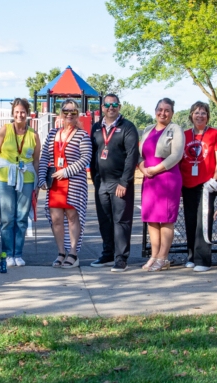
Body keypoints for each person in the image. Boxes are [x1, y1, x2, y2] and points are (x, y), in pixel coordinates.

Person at [40, 99, 93, 268]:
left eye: (73, 112)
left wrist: (66, 171)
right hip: (55, 183)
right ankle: (61, 252)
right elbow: (45, 158)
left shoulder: (82, 135)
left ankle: (73, 254)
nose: (69, 115)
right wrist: (42, 178)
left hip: (74, 183)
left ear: (78, 115)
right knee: (56, 219)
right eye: (66, 111)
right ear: (60, 114)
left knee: (72, 218)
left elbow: (86, 158)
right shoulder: (52, 133)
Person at [90, 93, 140, 272]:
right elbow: (93, 154)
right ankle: (108, 253)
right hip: (101, 182)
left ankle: (121, 258)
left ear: (119, 106)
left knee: (121, 221)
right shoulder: (96, 127)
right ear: (102, 107)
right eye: (107, 105)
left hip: (119, 182)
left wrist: (124, 182)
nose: (111, 107)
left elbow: (132, 156)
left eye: (114, 104)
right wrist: (95, 179)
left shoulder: (127, 127)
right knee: (105, 220)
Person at [0, 98, 39, 268]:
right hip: (4, 177)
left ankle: (18, 254)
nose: (20, 115)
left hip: (26, 178)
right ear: (13, 113)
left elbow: (36, 160)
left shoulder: (33, 135)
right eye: (17, 112)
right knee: (7, 218)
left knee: (22, 218)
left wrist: (37, 183)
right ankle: (7, 254)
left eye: (23, 112)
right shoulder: (5, 129)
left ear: (28, 113)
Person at [139, 98, 185, 271]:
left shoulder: (175, 129)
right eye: (160, 109)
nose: (163, 113)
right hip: (149, 179)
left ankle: (163, 258)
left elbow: (176, 155)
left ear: (172, 113)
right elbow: (141, 154)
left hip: (166, 178)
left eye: (167, 110)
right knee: (152, 219)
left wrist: (155, 169)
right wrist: (143, 168)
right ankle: (154, 255)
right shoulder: (148, 129)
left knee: (165, 220)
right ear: (155, 110)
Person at [181, 101, 217, 272]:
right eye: (196, 112)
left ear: (208, 116)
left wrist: (215, 178)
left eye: (203, 113)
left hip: (207, 184)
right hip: (187, 183)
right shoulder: (184, 134)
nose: (200, 116)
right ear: (191, 115)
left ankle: (203, 260)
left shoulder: (214, 134)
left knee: (204, 221)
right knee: (190, 220)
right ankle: (191, 256)